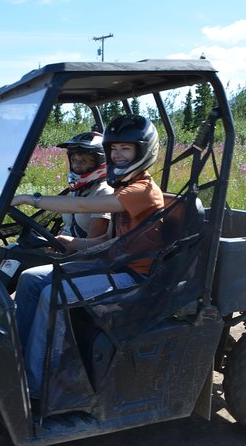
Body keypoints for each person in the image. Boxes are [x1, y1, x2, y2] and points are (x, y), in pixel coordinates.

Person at [11, 114, 165, 398]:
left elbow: (88, 207)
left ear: (142, 152)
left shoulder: (142, 190)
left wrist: (27, 199)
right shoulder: (124, 187)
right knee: (31, 280)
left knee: (52, 294)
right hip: (114, 263)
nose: (118, 155)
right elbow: (107, 241)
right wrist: (71, 244)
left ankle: (37, 383)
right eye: (114, 149)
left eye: (126, 149)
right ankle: (16, 359)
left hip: (136, 275)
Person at [58, 131, 113, 239]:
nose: (76, 166)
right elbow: (68, 229)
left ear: (99, 162)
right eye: (74, 160)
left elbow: (93, 243)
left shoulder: (103, 193)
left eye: (83, 161)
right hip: (66, 250)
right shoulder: (77, 190)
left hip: (82, 253)